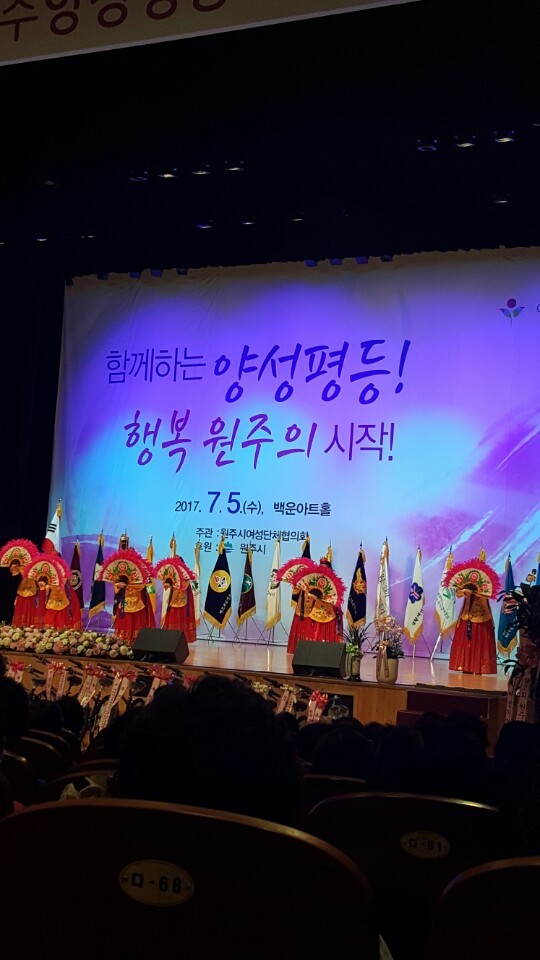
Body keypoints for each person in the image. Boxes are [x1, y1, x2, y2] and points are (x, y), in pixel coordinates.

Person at [444, 556, 500, 675]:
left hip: (481, 617)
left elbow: (487, 596)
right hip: (466, 615)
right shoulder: (466, 583)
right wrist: (465, 592)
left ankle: (478, 667)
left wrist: (477, 593)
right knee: (466, 643)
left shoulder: (484, 586)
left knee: (480, 644)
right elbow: (458, 593)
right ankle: (465, 666)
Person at [280, 560, 346, 655]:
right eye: (321, 567)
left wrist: (323, 599)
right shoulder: (311, 580)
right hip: (311, 610)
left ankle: (324, 650)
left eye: (325, 568)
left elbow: (332, 598)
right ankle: (306, 649)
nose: (322, 570)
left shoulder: (332, 586)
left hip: (325, 611)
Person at [99, 546, 155, 645]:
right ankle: (123, 645)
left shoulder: (142, 569)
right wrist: (118, 585)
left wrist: (128, 585)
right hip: (124, 603)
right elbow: (116, 588)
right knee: (123, 628)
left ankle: (138, 644)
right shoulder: (120, 571)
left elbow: (144, 586)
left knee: (137, 627)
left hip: (138, 603)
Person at [25, 554, 82, 632]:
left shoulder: (62, 576)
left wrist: (49, 586)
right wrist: (44, 586)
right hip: (50, 601)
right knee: (49, 621)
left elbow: (61, 586)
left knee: (61, 623)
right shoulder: (44, 578)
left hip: (62, 600)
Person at [154, 555, 197, 644]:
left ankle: (180, 639)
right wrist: (168, 584)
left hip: (182, 600)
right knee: (173, 616)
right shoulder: (173, 575)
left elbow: (181, 587)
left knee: (179, 617)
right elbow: (170, 582)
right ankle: (171, 638)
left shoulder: (185, 578)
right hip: (173, 600)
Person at [0, 539, 39, 627]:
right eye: (11, 567)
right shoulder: (16, 574)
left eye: (13, 568)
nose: (12, 570)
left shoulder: (28, 570)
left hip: (30, 591)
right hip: (20, 591)